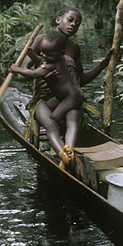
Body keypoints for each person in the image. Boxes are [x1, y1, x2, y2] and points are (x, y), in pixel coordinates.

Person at [17, 6, 113, 162]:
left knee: (74, 112)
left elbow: (80, 80)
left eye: (78, 23)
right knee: (51, 123)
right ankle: (63, 153)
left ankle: (69, 152)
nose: (74, 24)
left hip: (65, 98)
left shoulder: (74, 48)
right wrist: (45, 75)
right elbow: (21, 76)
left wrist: (103, 64)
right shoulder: (41, 40)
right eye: (70, 20)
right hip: (43, 98)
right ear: (58, 20)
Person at [10, 30, 83, 166]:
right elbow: (42, 61)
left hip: (68, 99)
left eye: (48, 54)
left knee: (55, 119)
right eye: (42, 52)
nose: (44, 55)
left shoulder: (52, 63)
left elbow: (33, 73)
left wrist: (16, 69)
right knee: (57, 123)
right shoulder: (55, 58)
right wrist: (33, 55)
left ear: (61, 53)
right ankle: (66, 150)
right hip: (65, 98)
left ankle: (66, 152)